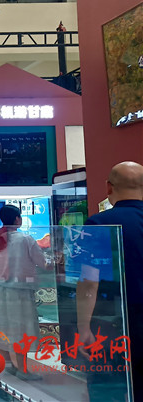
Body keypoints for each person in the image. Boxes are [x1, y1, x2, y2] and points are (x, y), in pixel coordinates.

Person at [79, 161, 143, 401]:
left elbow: (89, 281)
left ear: (108, 187)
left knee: (109, 389)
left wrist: (83, 327)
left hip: (114, 322)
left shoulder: (98, 223)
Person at [0, 204, 50, 376]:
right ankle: (23, 369)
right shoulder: (25, 239)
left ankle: (9, 364)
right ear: (17, 219)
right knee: (22, 328)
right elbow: (43, 263)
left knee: (2, 327)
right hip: (20, 291)